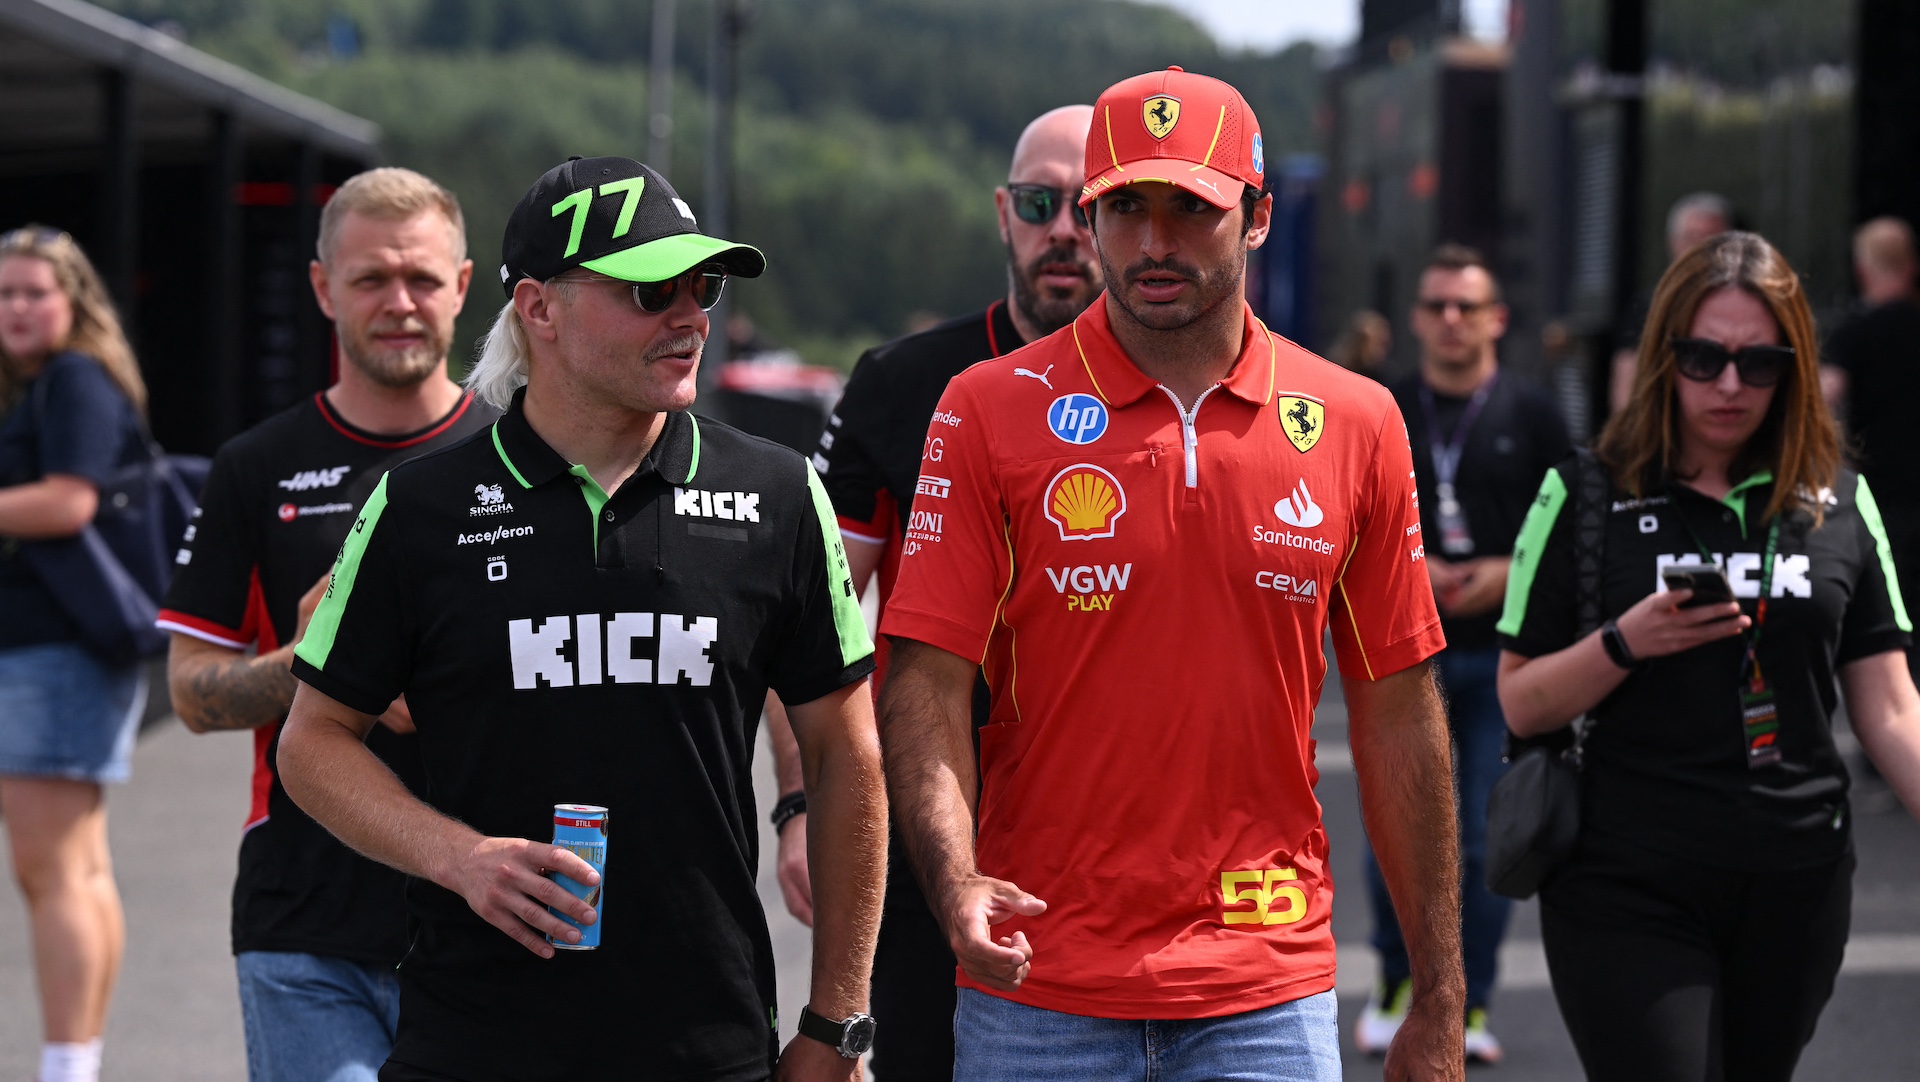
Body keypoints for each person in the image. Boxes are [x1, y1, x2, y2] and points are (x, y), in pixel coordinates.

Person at [879, 67, 1466, 1081]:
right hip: (1042, 986)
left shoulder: (1358, 421)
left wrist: (1440, 992)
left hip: (1266, 987)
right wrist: (955, 873)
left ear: (1259, 217)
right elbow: (924, 678)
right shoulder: (986, 408)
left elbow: (1400, 713)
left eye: (1193, 207)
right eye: (1124, 207)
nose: (1154, 243)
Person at [275, 156, 888, 1081]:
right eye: (650, 289)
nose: (690, 315)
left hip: (710, 1046)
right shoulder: (417, 508)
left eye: (704, 284)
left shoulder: (776, 491)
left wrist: (840, 1021)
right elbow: (312, 743)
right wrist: (459, 857)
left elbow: (848, 758)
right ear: (538, 308)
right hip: (472, 1045)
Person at [1497, 231, 1920, 1081]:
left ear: (1793, 367)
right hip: (1627, 879)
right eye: (1703, 358)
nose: (1729, 386)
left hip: (1797, 879)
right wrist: (1624, 642)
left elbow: (1890, 706)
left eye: (1758, 364)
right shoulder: (1584, 493)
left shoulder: (1840, 499)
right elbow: (1520, 701)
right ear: (1664, 357)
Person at [773, 102, 1101, 1081]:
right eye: (1040, 203)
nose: (1064, 230)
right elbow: (806, 618)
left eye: (1090, 206)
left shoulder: (1178, 393)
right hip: (931, 820)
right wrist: (799, 803)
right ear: (1004, 213)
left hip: (1111, 830)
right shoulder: (903, 382)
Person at [157, 168, 497, 1082]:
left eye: (423, 279)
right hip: (305, 922)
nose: (400, 303)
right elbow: (189, 695)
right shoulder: (254, 466)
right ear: (322, 289)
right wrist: (318, 661)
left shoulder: (524, 459)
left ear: (463, 286)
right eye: (370, 279)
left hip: (490, 921)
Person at [1356, 244, 1571, 1063]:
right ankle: (1398, 983)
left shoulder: (1535, 414)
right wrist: (1419, 570)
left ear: (1495, 320)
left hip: (1501, 660)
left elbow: (1569, 533)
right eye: (1437, 306)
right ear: (1416, 318)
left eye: (1466, 307)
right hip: (1406, 659)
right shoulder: (1382, 408)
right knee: (1395, 828)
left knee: (1483, 838)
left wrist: (1507, 570)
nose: (1451, 321)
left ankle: (1471, 1001)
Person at [0, 226, 149, 1082]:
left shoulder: (75, 381)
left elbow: (67, 503)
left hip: (56, 655)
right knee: (77, 868)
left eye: (35, 293)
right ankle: (75, 1060)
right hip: (56, 656)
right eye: (7, 294)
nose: (18, 308)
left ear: (74, 301)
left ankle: (67, 1065)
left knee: (51, 869)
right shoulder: (52, 384)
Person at [1825, 218, 1920, 668]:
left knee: (1890, 615)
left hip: (1882, 494)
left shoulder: (1853, 332)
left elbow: (1822, 398)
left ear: (1862, 270)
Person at [1610, 192, 1733, 415]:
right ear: (1673, 243)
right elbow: (1626, 384)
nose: (1698, 250)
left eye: (1710, 240)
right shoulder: (1648, 308)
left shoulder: (1746, 305)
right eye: (1691, 238)